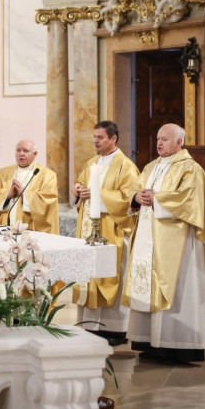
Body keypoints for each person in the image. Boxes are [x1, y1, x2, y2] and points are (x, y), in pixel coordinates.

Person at [124, 123, 205, 364]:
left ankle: (176, 347)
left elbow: (190, 201)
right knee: (147, 285)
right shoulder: (150, 167)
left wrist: (157, 199)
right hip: (148, 238)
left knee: (177, 289)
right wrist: (136, 197)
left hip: (178, 244)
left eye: (165, 139)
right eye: (158, 138)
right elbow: (134, 191)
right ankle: (148, 342)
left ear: (180, 142)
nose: (159, 143)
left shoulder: (191, 169)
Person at [71, 121, 139, 346]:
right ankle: (89, 325)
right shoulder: (92, 163)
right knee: (89, 276)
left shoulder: (126, 166)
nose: (95, 141)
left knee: (111, 274)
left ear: (113, 138)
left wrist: (98, 194)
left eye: (100, 137)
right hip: (89, 232)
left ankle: (115, 329)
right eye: (94, 137)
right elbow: (82, 186)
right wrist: (78, 190)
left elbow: (129, 199)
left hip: (112, 231)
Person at [0, 139, 59, 233]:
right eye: (18, 150)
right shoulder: (2, 173)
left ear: (35, 154)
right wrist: (7, 195)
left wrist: (25, 194)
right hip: (5, 228)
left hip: (32, 230)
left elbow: (49, 201)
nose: (21, 154)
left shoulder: (47, 175)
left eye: (26, 151)